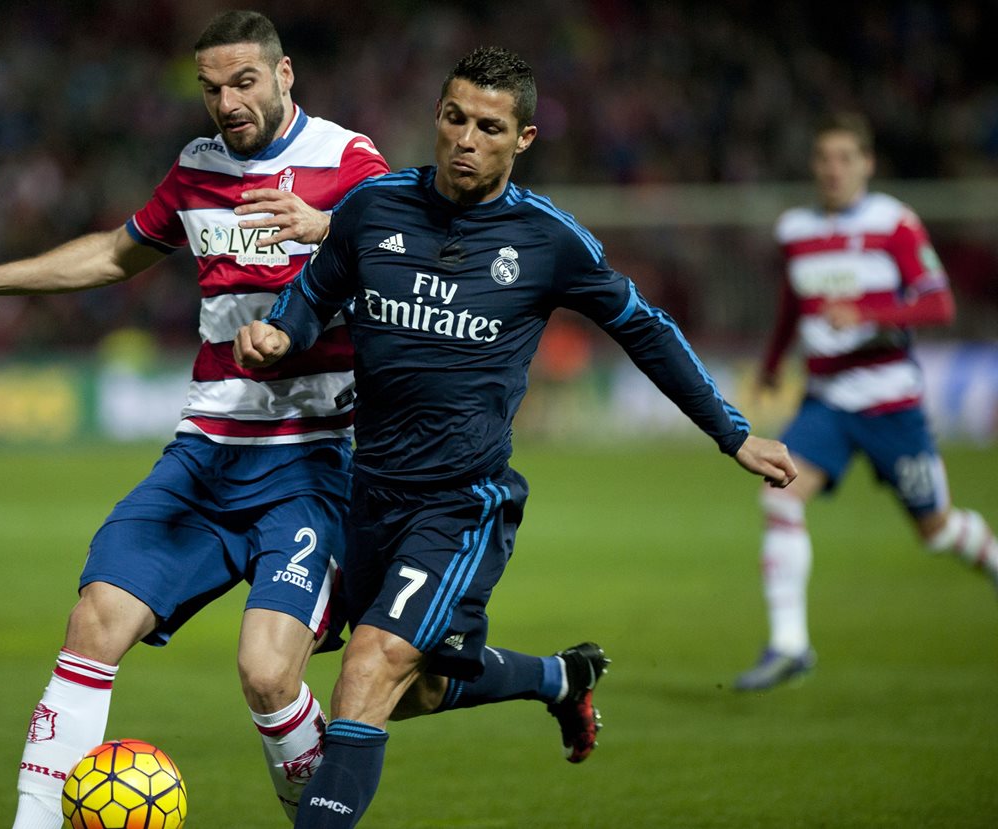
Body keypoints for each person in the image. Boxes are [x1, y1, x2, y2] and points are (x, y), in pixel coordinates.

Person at [235, 46, 797, 827]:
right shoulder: (374, 207)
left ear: (523, 139)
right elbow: (313, 293)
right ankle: (558, 679)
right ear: (438, 115)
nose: (466, 138)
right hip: (372, 495)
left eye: (489, 127)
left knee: (368, 668)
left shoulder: (547, 240)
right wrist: (279, 335)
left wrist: (730, 432)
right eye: (455, 118)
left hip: (461, 504)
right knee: (417, 687)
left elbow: (646, 329)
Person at [0, 11, 393, 827]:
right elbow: (114, 251)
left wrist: (334, 228)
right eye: (210, 88)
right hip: (205, 453)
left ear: (284, 75)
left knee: (270, 675)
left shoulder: (348, 162)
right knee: (95, 619)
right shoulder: (196, 169)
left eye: (242, 82)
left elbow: (417, 249)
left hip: (312, 461)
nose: (226, 102)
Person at [734, 113, 998, 691]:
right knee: (779, 495)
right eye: (824, 158)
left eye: (845, 158)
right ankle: (789, 645)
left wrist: (869, 314)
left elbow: (938, 305)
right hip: (825, 402)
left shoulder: (894, 223)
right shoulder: (795, 229)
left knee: (938, 531)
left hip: (889, 403)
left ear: (867, 164)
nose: (834, 169)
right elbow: (792, 304)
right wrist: (774, 363)